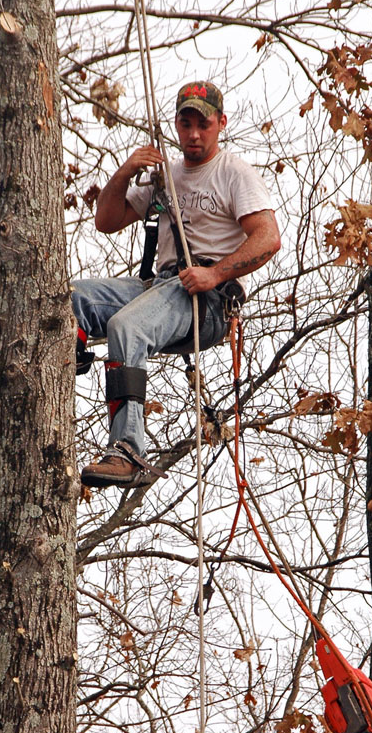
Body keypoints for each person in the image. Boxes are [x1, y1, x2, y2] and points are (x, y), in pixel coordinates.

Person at [75, 79, 280, 489]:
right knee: (72, 297)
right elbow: (107, 221)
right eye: (186, 124)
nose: (193, 134)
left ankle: (128, 450)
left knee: (126, 326)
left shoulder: (232, 172)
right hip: (163, 285)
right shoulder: (164, 178)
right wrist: (126, 172)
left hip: (208, 299)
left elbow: (268, 237)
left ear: (220, 124)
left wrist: (215, 273)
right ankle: (40, 376)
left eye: (203, 125)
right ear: (176, 125)